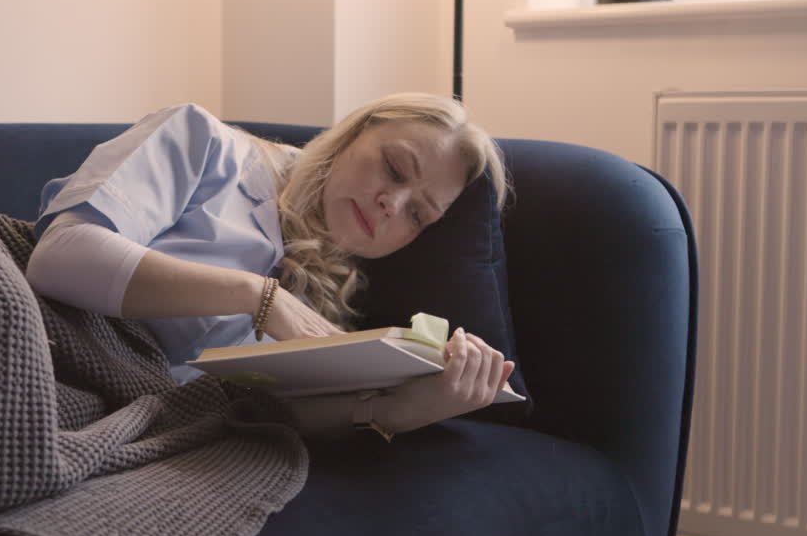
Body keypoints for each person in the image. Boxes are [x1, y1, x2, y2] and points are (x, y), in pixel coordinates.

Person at [25, 93, 515, 441]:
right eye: (393, 168)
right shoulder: (203, 142)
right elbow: (59, 255)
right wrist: (258, 297)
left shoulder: (329, 292)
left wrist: (405, 410)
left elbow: (256, 413)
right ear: (352, 133)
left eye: (417, 214)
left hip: (140, 413)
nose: (393, 203)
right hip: (45, 346)